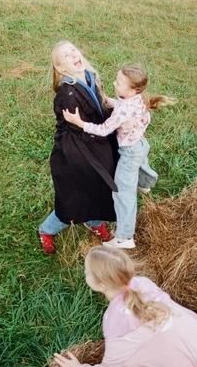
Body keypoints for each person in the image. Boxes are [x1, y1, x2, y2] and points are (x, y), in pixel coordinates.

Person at [53, 246, 197, 367]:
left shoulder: (116, 323)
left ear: (101, 285)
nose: (84, 273)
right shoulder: (142, 283)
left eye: (87, 272)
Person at [63, 64, 175, 249]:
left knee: (123, 193)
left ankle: (125, 237)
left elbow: (103, 129)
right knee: (142, 164)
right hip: (140, 144)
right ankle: (146, 185)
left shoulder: (124, 110)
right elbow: (123, 107)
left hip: (130, 152)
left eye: (119, 82)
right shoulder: (137, 99)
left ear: (132, 90)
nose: (114, 83)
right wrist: (110, 101)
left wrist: (79, 122)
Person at [38, 41, 118, 254]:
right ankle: (46, 230)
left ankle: (94, 222)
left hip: (97, 142)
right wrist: (108, 130)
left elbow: (101, 107)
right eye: (66, 55)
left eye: (74, 50)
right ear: (62, 69)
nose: (73, 54)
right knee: (74, 199)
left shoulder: (90, 77)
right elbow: (79, 130)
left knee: (102, 189)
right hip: (75, 152)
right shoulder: (68, 94)